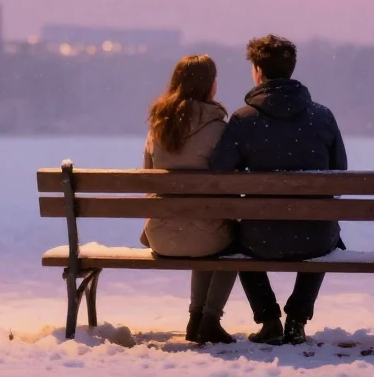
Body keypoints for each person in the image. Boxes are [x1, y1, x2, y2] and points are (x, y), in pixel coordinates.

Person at [209, 35, 348, 346]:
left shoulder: (244, 119)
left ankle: (270, 319)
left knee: (237, 242)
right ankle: (297, 320)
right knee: (324, 232)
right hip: (314, 236)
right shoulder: (322, 116)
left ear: (258, 71)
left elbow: (220, 169)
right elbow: (340, 172)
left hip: (259, 236)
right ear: (291, 70)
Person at [140, 54, 238, 345]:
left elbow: (148, 178)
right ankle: (208, 318)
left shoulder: (157, 127)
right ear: (211, 85)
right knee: (230, 241)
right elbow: (227, 183)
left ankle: (196, 318)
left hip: (161, 237)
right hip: (206, 238)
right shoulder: (219, 128)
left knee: (202, 225)